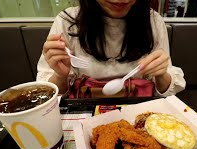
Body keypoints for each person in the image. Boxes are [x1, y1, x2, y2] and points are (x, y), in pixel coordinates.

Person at [37, 0, 186, 97]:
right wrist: (60, 76)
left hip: (140, 110)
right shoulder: (67, 22)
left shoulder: (152, 21)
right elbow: (50, 96)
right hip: (82, 110)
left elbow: (165, 92)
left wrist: (161, 75)